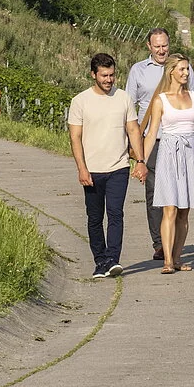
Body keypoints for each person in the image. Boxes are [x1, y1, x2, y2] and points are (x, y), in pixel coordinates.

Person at [68, 53, 147, 279]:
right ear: (93, 74)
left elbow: (133, 130)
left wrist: (140, 161)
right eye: (104, 75)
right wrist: (81, 168)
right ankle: (100, 260)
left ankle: (113, 259)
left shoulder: (123, 98)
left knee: (115, 213)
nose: (109, 80)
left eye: (112, 75)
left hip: (118, 167)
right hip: (92, 169)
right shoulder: (80, 101)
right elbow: (75, 138)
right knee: (95, 218)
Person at [126, 27, 194, 264]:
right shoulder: (138, 70)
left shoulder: (183, 68)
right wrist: (134, 147)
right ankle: (159, 243)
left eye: (164, 45)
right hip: (152, 139)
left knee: (180, 196)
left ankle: (173, 245)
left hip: (181, 139)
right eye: (156, 46)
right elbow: (130, 108)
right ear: (149, 46)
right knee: (156, 192)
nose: (161, 50)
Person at [142, 54, 194, 272]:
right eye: (182, 69)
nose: (185, 73)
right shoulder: (160, 100)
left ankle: (176, 257)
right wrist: (141, 162)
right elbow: (151, 132)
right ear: (171, 71)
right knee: (170, 208)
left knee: (184, 210)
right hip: (168, 153)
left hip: (191, 153)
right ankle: (166, 260)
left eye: (187, 70)